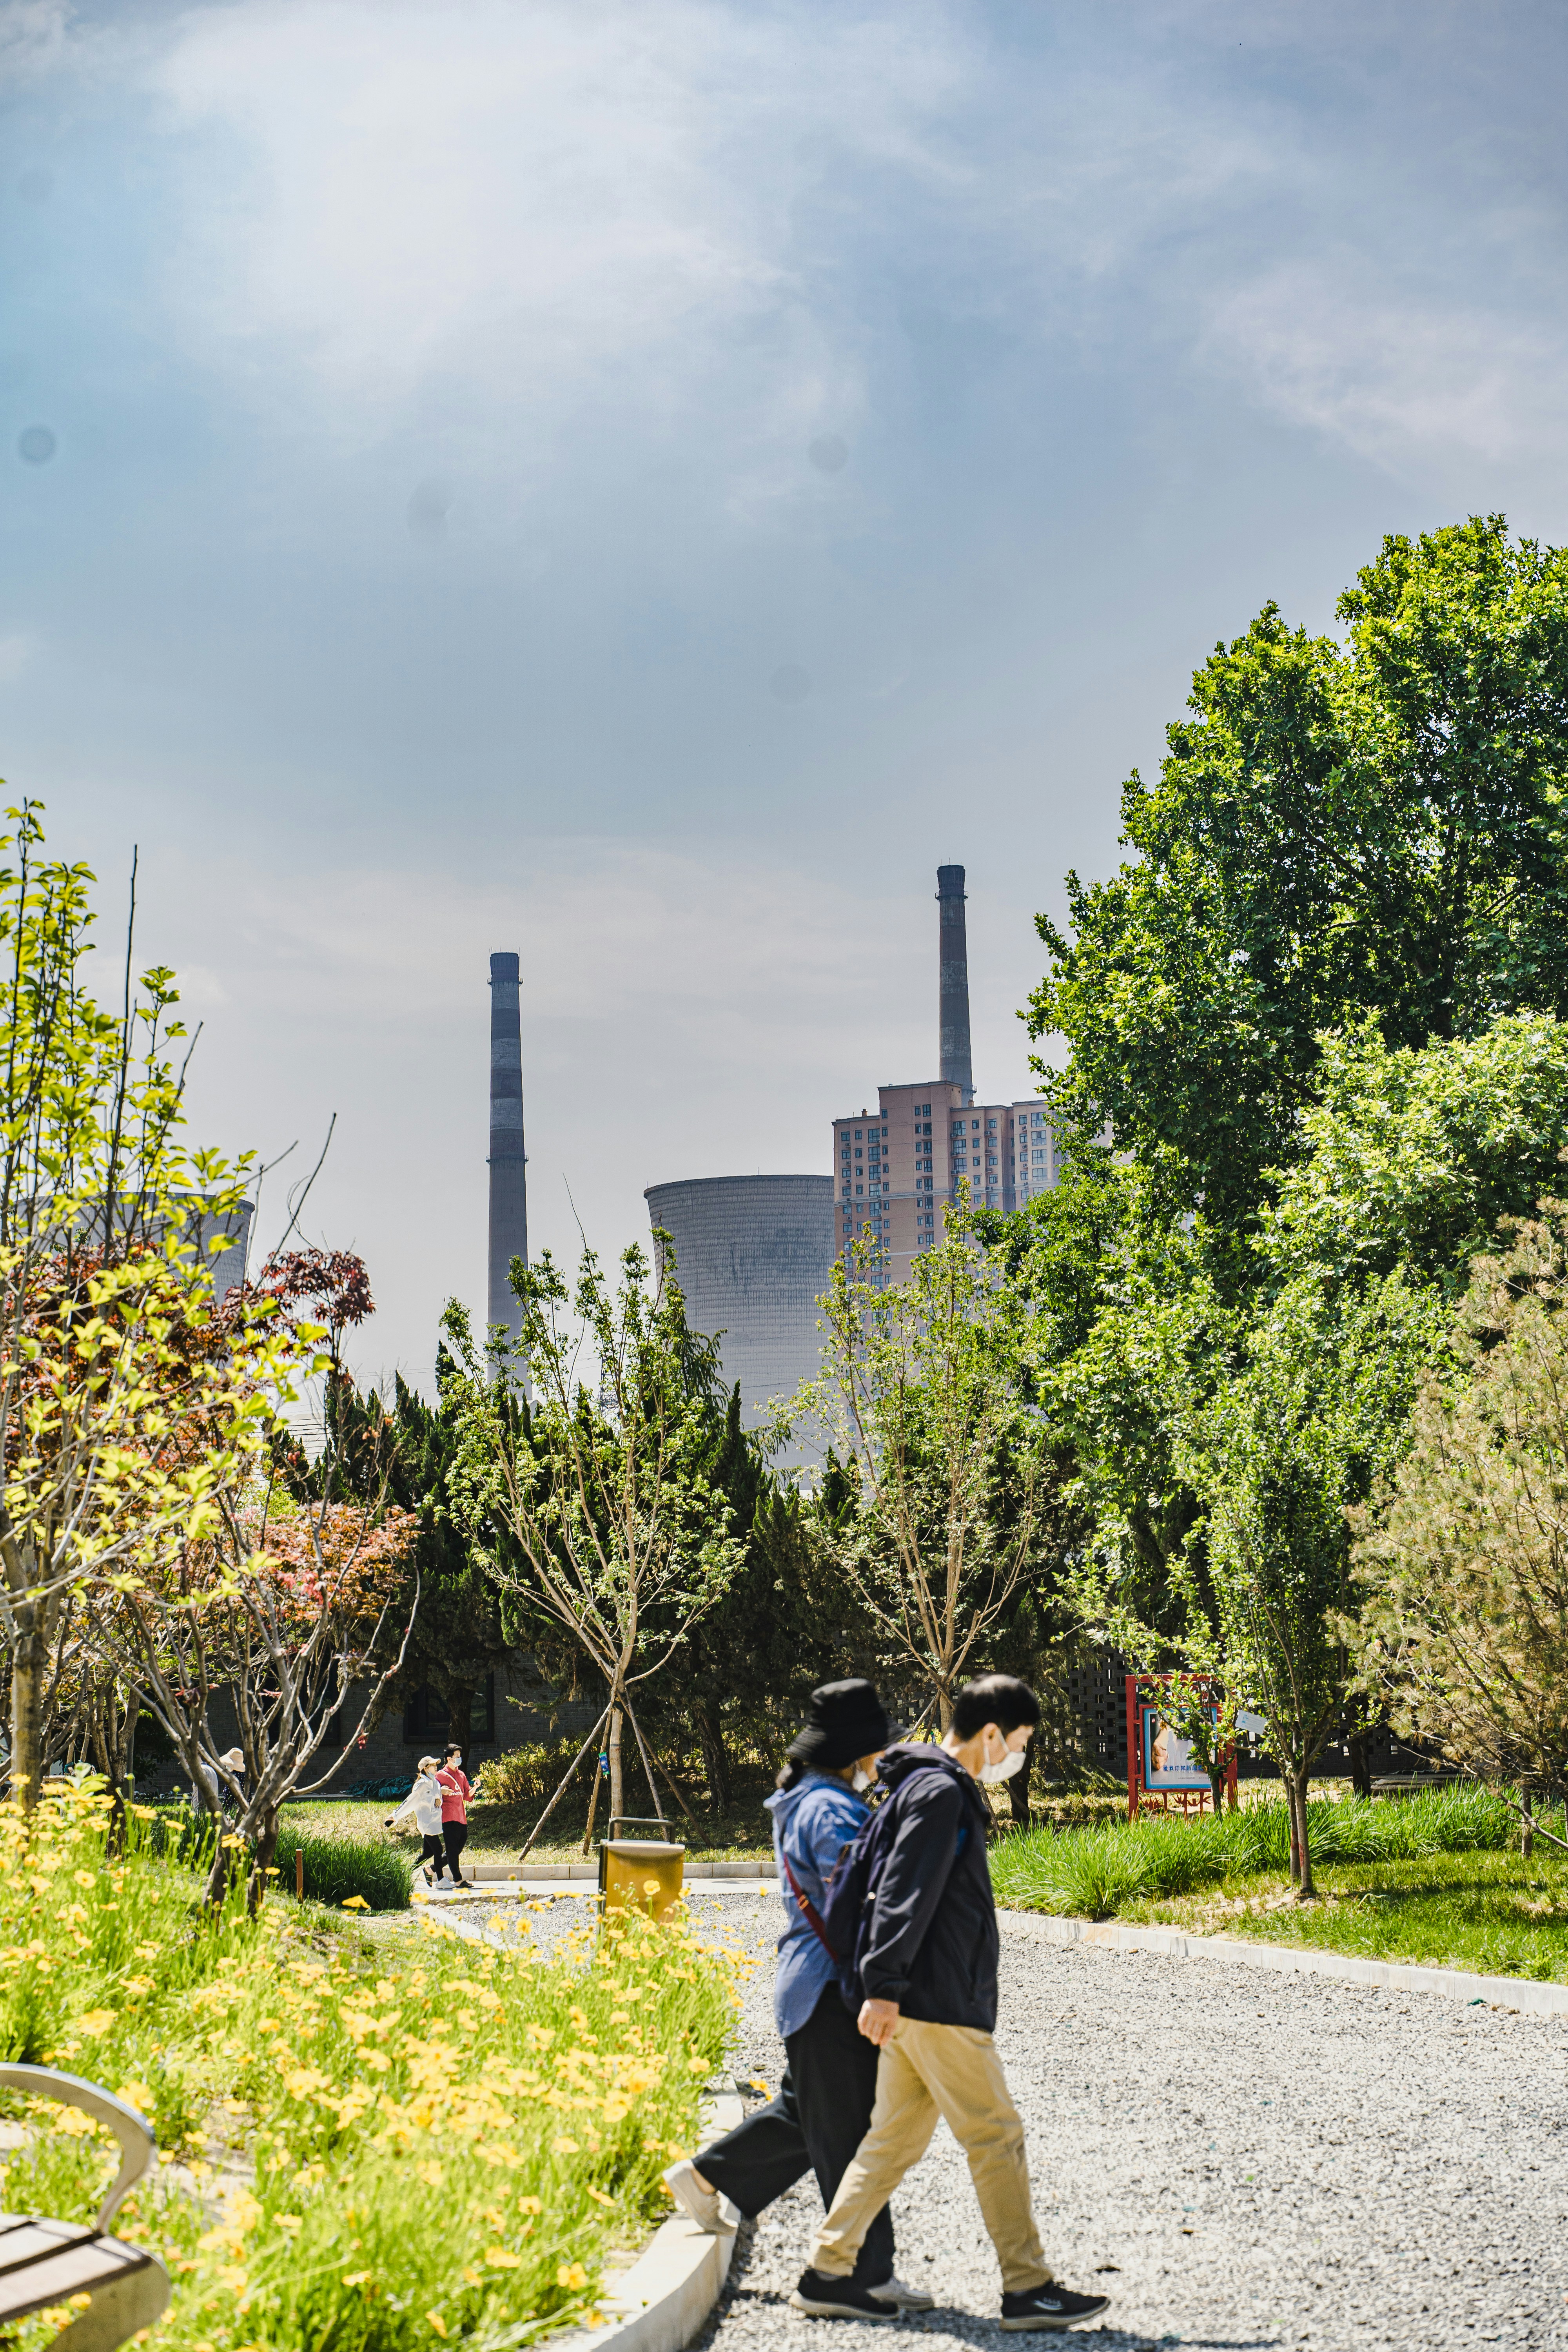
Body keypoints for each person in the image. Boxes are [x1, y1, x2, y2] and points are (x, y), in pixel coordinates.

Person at [791, 1674, 1112, 2332]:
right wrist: (884, 1985)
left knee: (889, 2145)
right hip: (937, 2001)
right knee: (996, 2136)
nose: (1016, 1755)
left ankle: (826, 2269)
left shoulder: (914, 1783)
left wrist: (886, 1989)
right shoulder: (940, 1792)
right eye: (1019, 1742)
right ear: (991, 1733)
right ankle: (1028, 2287)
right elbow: (904, 1894)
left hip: (916, 2002)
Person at [661, 1679, 931, 2313]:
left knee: (812, 2115)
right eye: (875, 1750)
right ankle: (857, 2276)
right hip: (833, 1989)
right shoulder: (829, 1810)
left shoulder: (813, 1796)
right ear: (856, 1751)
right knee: (852, 2136)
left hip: (813, 1986)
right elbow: (868, 1897)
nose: (880, 1761)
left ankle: (707, 2176)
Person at [385, 1756, 450, 1886]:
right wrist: (395, 1816)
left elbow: (437, 1794)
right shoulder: (421, 1785)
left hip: (435, 1822)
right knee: (438, 1850)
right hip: (426, 1823)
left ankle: (405, 1874)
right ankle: (441, 1881)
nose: (436, 1766)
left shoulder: (435, 1782)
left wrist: (440, 1798)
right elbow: (409, 1802)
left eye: (436, 1764)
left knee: (428, 1852)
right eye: (433, 1765)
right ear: (426, 1768)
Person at [436, 1742, 473, 1887]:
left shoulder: (461, 1774)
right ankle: (458, 1880)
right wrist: (440, 1792)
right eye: (456, 1756)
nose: (459, 1759)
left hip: (461, 1816)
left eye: (460, 1756)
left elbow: (467, 1796)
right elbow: (431, 1794)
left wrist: (475, 1787)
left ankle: (432, 1869)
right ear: (449, 1759)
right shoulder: (440, 1776)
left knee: (457, 1848)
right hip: (448, 1817)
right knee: (452, 1850)